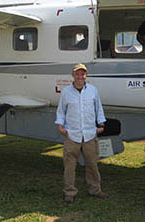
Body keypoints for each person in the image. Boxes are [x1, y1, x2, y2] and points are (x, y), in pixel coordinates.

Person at [55, 63, 108, 203]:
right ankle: (69, 192)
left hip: (90, 134)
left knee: (92, 163)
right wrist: (60, 125)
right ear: (73, 75)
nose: (80, 76)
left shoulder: (92, 90)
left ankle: (95, 189)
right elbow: (61, 111)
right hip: (72, 134)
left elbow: (98, 108)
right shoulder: (66, 92)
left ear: (86, 75)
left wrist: (101, 124)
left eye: (82, 74)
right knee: (70, 165)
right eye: (77, 74)